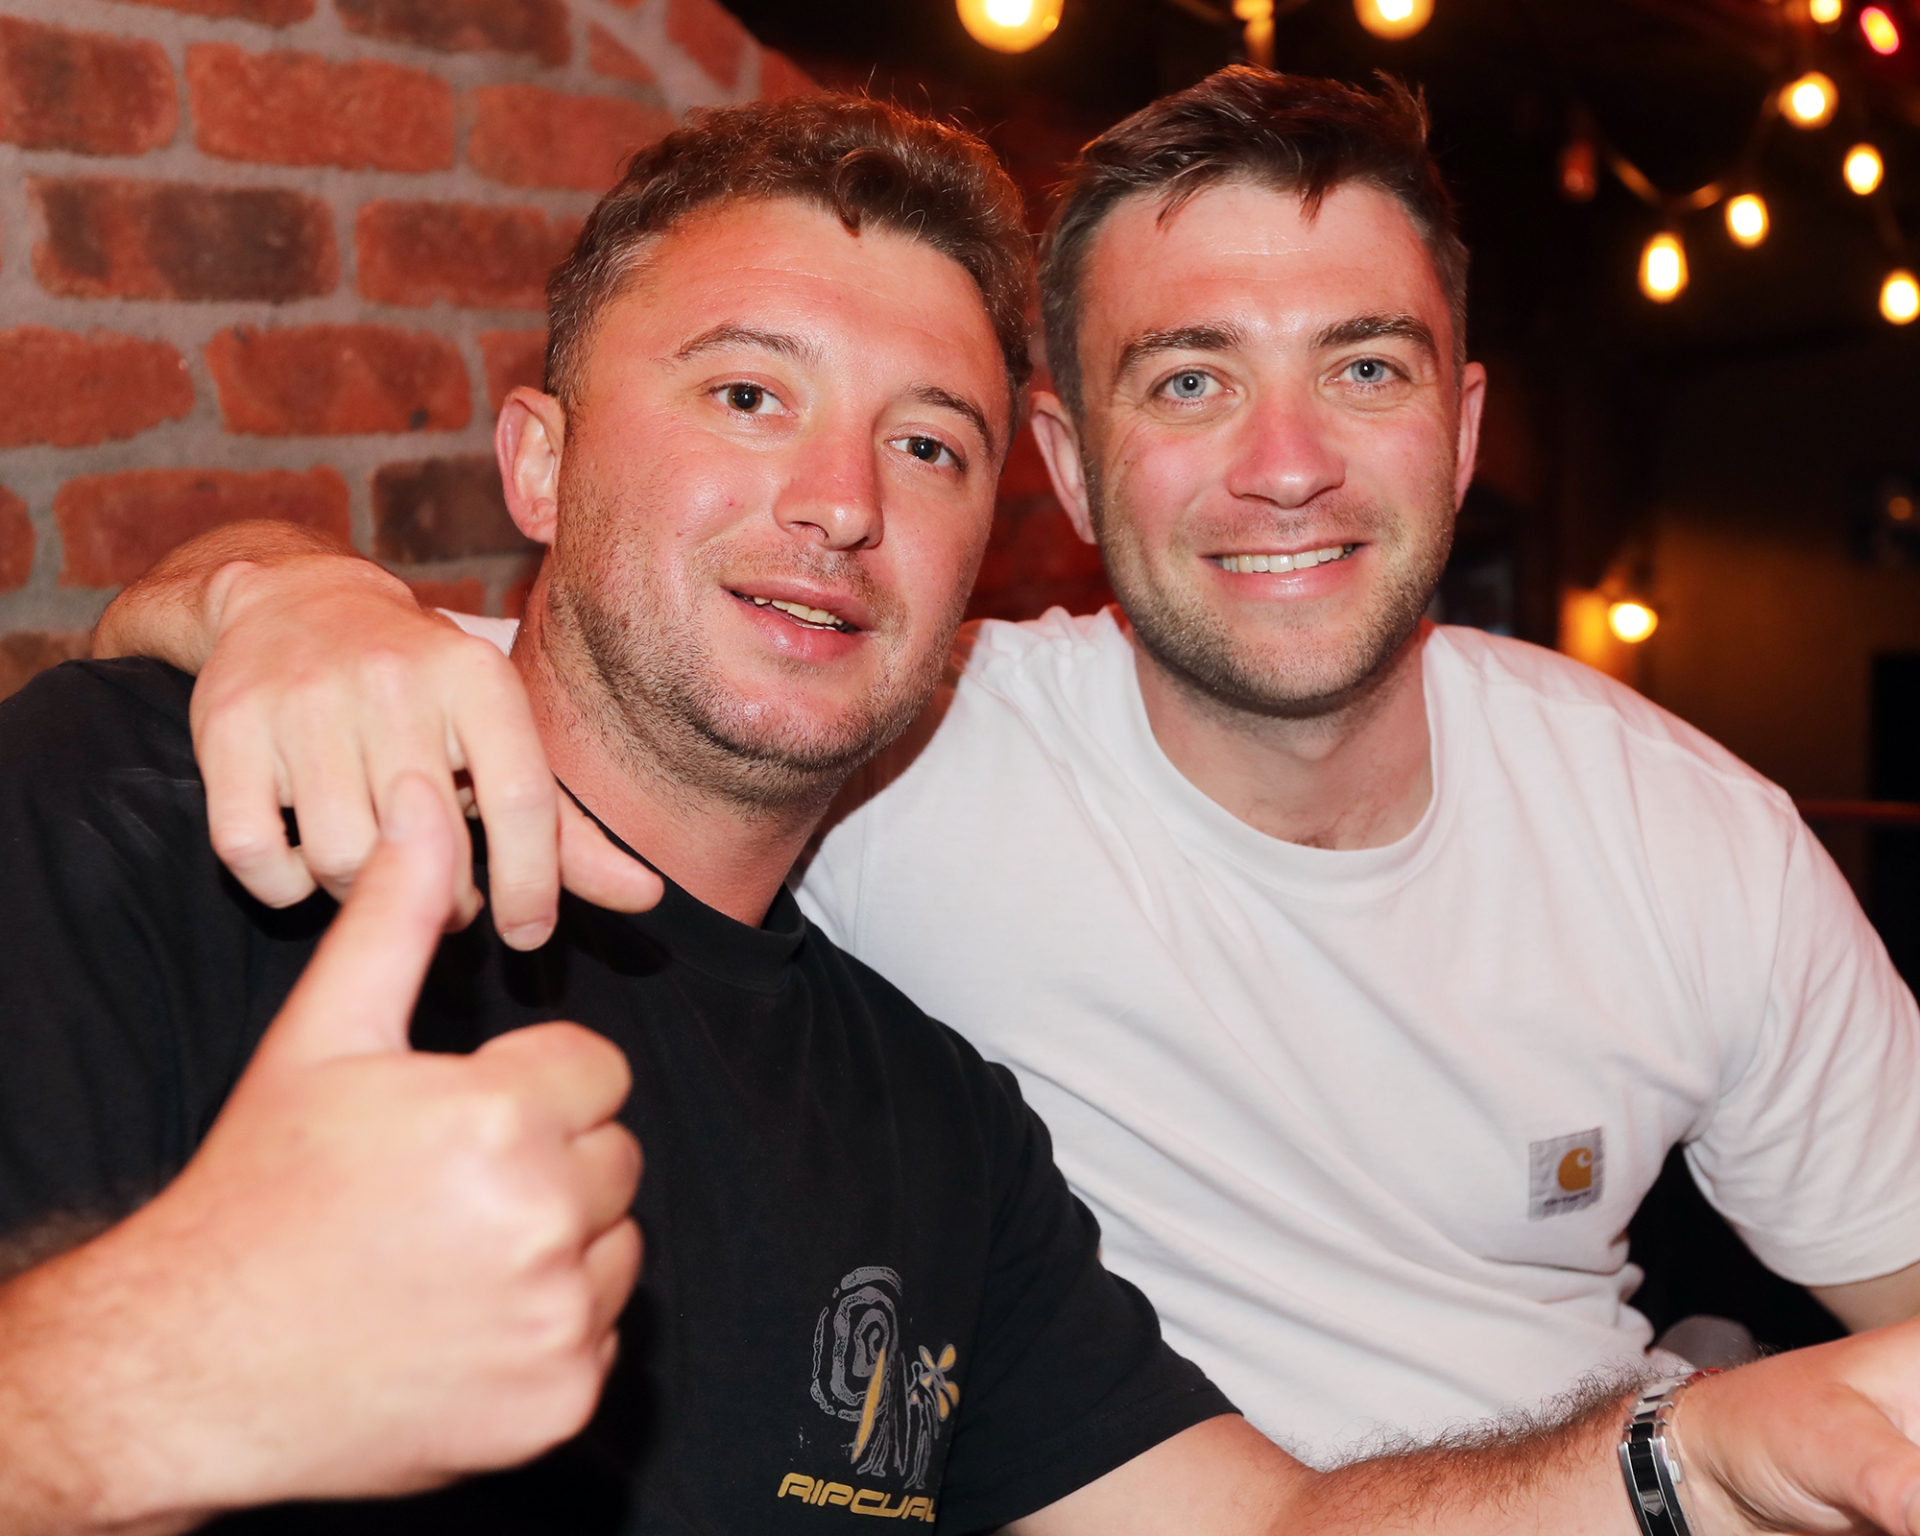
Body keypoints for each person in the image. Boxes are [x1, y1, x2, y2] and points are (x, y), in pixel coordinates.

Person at [58, 87, 1920, 1536]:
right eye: (1193, 379)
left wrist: (1696, 1449)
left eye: (1366, 368)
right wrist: (278, 595)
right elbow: (402, 651)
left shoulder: (943, 1125)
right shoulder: (842, 723)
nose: (1287, 465)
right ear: (1074, 474)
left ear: (1465, 428)